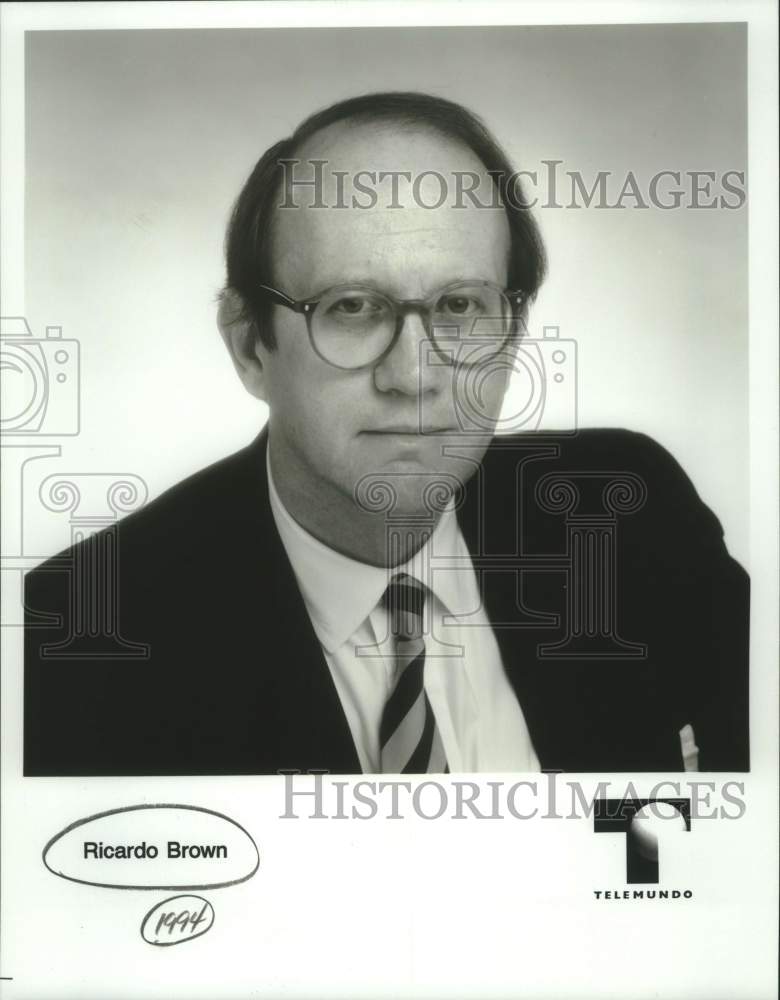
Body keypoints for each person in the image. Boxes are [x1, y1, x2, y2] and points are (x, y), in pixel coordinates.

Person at [24, 92, 749, 776]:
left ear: (513, 331)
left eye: (460, 304)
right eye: (352, 307)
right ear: (251, 346)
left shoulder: (630, 513)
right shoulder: (79, 634)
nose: (414, 376)